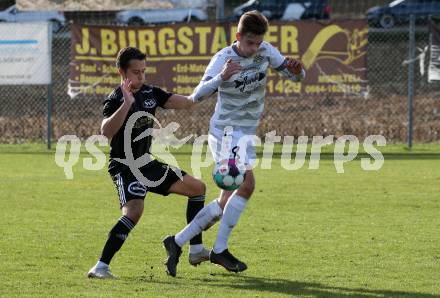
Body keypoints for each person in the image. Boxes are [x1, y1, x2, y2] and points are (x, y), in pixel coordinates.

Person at [163, 10, 305, 274]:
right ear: (238, 36)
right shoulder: (222, 59)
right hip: (226, 132)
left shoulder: (265, 51)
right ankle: (219, 250)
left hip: (245, 132)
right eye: (249, 42)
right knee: (247, 184)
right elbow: (197, 95)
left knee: (225, 200)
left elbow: (295, 77)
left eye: (258, 43)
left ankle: (177, 241)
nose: (254, 48)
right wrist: (222, 77)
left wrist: (298, 72)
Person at [87, 46, 210, 279]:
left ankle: (195, 250)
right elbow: (106, 131)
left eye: (144, 71)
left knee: (197, 188)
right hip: (125, 165)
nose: (141, 76)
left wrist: (218, 80)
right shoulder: (115, 99)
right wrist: (126, 102)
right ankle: (101, 266)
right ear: (121, 73)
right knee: (134, 210)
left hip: (146, 163)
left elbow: (187, 102)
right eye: (136, 72)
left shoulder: (152, 92)